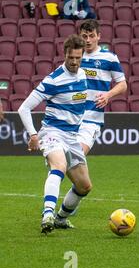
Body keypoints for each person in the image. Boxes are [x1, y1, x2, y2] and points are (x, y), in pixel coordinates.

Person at [17, 35, 92, 234]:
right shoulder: (53, 80)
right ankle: (47, 214)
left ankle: (60, 219)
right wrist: (34, 135)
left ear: (82, 55)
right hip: (52, 133)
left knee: (84, 186)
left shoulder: (83, 75)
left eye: (77, 58)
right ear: (64, 55)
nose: (74, 62)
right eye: (70, 58)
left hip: (72, 137)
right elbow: (23, 108)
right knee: (59, 165)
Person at [78, 19, 127, 155]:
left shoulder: (109, 58)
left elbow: (123, 85)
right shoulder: (75, 56)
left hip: (91, 119)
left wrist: (107, 95)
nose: (88, 40)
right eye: (84, 36)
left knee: (76, 156)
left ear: (98, 36)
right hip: (71, 116)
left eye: (92, 36)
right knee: (64, 160)